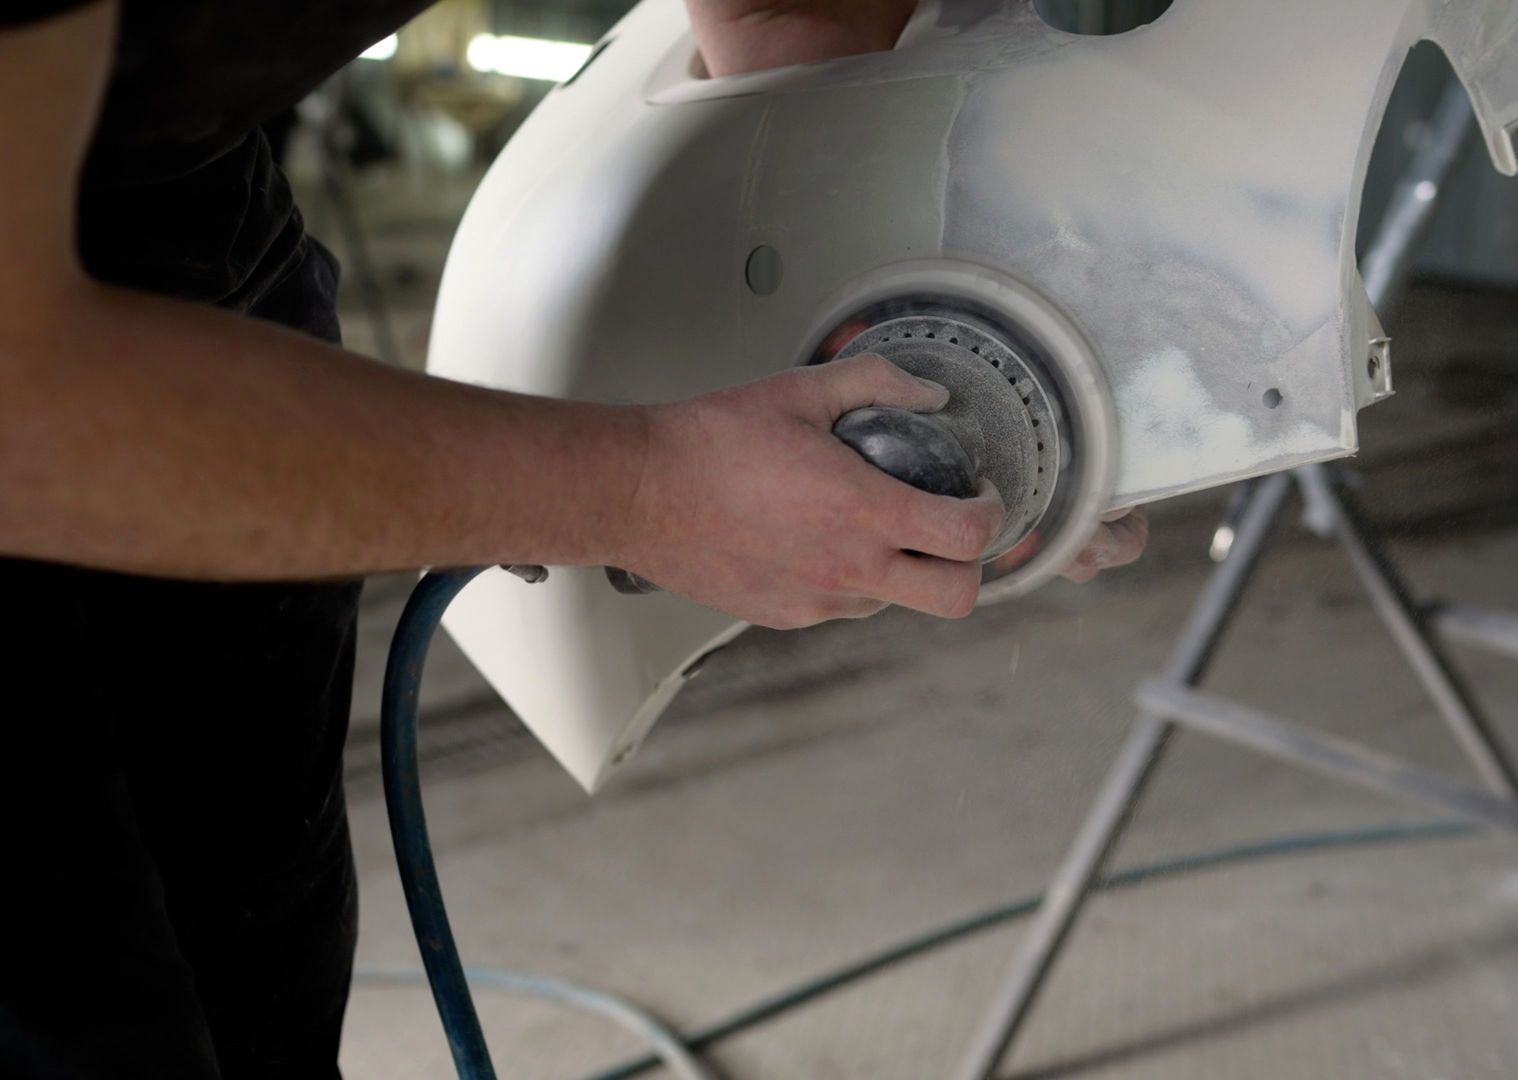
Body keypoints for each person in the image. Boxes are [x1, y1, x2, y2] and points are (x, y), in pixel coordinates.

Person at [0, 1, 1149, 1076]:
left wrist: (902, 345)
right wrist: (650, 492)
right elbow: (25, 408)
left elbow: (783, 11)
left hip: (181, 197)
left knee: (257, 993)